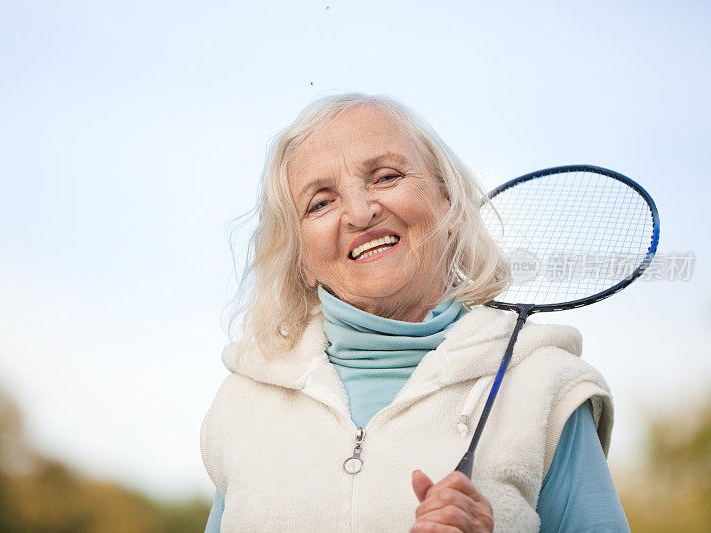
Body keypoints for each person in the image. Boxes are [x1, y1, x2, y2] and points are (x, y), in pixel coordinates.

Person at [200, 93, 630, 532]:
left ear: (448, 200)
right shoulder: (243, 402)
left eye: (386, 177)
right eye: (321, 202)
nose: (360, 212)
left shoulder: (544, 388)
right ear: (301, 260)